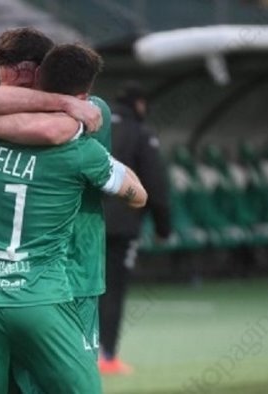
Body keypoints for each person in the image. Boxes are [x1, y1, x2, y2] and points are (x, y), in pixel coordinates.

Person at [0, 44, 147, 394]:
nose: (8, 95)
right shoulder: (74, 143)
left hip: (34, 286)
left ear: (39, 79)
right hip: (45, 293)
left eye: (17, 87)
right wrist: (64, 104)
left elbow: (10, 114)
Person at [99, 81, 171, 374]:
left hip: (84, 222)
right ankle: (107, 357)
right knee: (112, 290)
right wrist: (164, 228)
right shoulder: (141, 133)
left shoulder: (95, 126)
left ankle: (76, 353)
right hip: (121, 226)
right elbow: (155, 184)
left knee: (82, 288)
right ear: (139, 104)